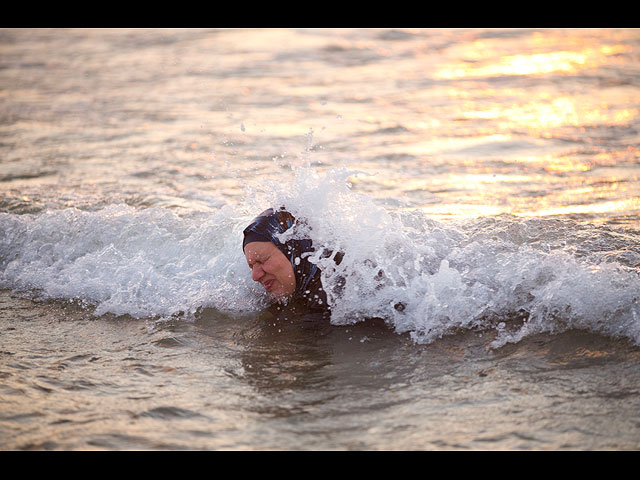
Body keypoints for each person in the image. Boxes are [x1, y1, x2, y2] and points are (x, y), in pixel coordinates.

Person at [242, 208, 334, 315]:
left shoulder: (334, 299)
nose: (255, 276)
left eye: (263, 261)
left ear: (295, 251)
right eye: (251, 266)